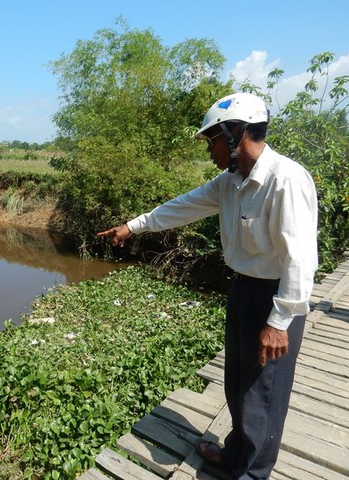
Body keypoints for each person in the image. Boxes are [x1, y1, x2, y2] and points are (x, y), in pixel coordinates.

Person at [97, 92, 318, 480]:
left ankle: (253, 472)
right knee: (237, 380)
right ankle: (236, 454)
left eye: (213, 140)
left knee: (263, 391)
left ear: (236, 133)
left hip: (276, 297)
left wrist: (280, 321)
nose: (210, 150)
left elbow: (300, 257)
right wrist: (131, 227)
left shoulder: (286, 179)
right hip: (244, 290)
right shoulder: (229, 182)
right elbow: (180, 207)